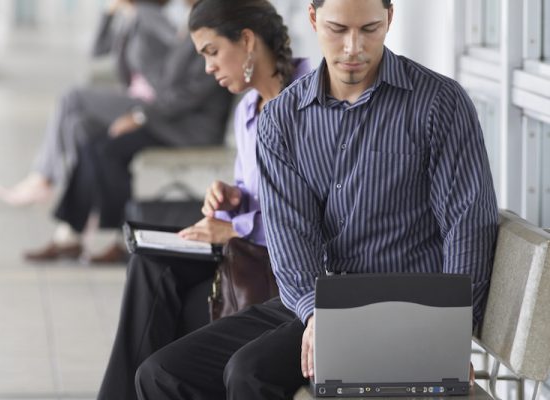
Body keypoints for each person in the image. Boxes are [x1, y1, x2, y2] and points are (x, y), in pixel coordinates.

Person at [134, 0, 499, 399]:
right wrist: (313, 311)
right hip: (319, 300)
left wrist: (449, 333)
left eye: (370, 29)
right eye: (338, 29)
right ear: (312, 19)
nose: (353, 47)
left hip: (405, 309)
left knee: (249, 372)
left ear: (390, 19)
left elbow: (469, 224)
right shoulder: (282, 119)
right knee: (161, 374)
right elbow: (290, 236)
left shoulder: (439, 103)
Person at [96, 0, 310, 397]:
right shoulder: (247, 107)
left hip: (281, 267)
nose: (209, 67)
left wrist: (232, 228)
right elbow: (256, 194)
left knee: (162, 300)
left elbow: (309, 211)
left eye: (212, 52)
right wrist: (232, 197)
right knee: (149, 261)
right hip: (249, 249)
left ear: (246, 41)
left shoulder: (310, 98)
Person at [20, 0, 234, 263]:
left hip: (188, 128)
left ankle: (115, 238)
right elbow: (170, 82)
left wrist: (141, 115)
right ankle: (74, 236)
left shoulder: (212, 24)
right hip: (171, 119)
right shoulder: (192, 21)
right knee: (92, 143)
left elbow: (189, 91)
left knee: (108, 149)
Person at [0, 0, 176, 206]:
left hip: (149, 105)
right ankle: (72, 203)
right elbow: (97, 51)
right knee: (76, 123)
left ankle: (43, 178)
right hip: (134, 97)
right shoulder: (130, 18)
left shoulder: (147, 14)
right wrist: (108, 14)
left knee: (72, 97)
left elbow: (179, 46)